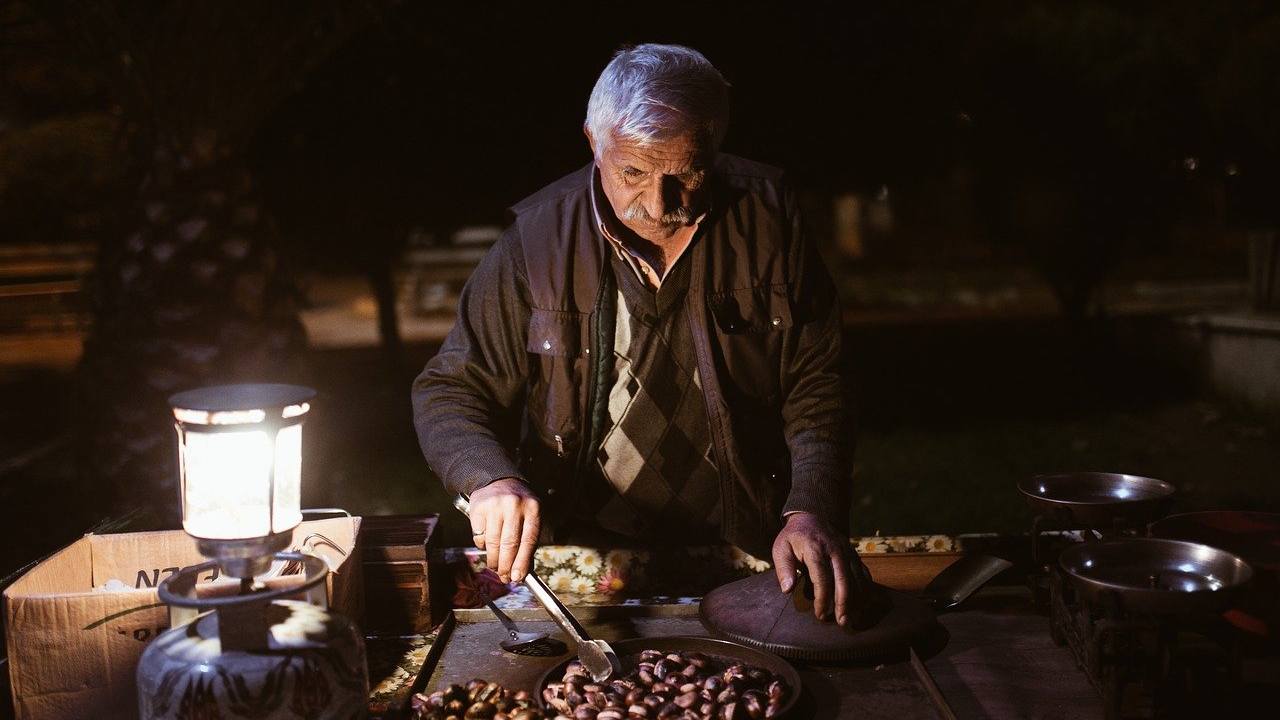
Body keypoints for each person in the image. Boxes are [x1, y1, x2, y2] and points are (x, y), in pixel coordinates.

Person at [413, 43, 858, 625]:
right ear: (593, 143)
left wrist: (810, 508)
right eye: (633, 173)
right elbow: (451, 388)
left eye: (686, 174)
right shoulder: (538, 240)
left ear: (715, 150)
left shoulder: (770, 220)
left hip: (753, 543)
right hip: (584, 550)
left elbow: (819, 383)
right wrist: (489, 478)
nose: (658, 204)